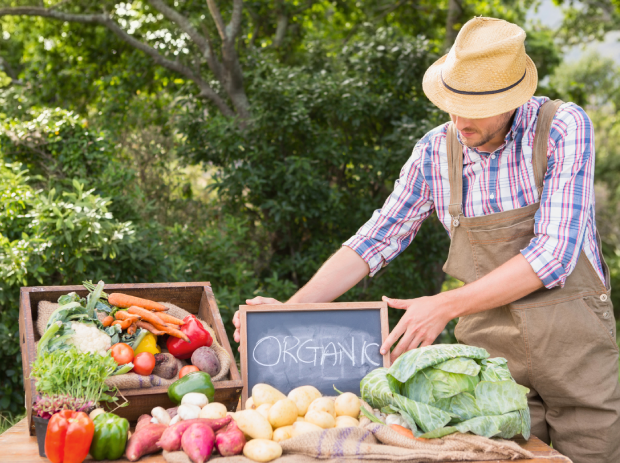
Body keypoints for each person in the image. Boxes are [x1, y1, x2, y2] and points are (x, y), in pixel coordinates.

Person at [232, 17, 620, 462]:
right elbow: (376, 239)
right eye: (451, 103)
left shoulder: (562, 128)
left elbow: (553, 254)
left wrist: (443, 305)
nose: (459, 119)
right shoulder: (436, 151)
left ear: (515, 97)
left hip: (575, 350)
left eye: (474, 106)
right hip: (489, 369)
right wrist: (290, 311)